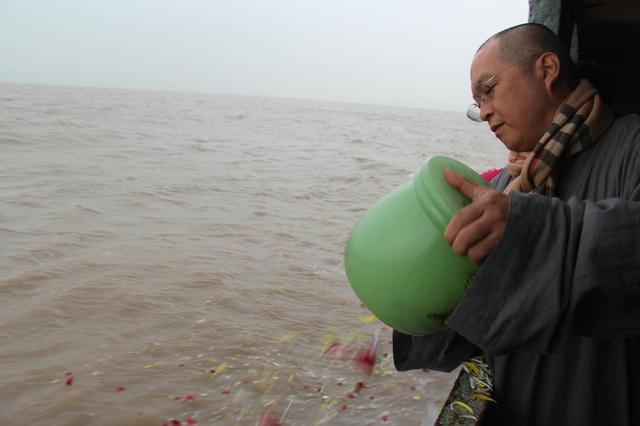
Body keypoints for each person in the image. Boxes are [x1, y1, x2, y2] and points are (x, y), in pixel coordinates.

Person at [393, 22, 640, 425]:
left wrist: (527, 230)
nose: (484, 111)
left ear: (546, 70)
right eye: (477, 102)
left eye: (488, 90)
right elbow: (468, 337)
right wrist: (412, 293)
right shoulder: (506, 187)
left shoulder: (631, 146)